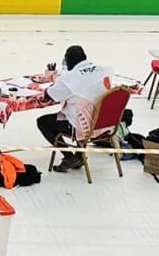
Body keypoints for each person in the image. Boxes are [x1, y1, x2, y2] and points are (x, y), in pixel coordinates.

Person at [36, 45, 114, 173]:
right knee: (79, 108)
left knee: (43, 122)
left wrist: (56, 80)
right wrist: (58, 78)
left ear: (69, 61)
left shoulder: (70, 78)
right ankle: (79, 155)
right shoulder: (105, 70)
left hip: (84, 126)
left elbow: (51, 94)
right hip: (104, 123)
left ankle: (70, 157)